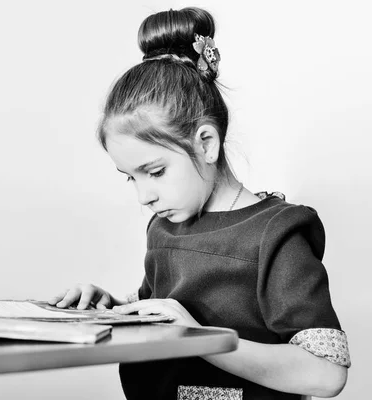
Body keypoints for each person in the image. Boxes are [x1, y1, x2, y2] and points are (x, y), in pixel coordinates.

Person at [48, 7, 350, 400]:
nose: (145, 196)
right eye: (131, 177)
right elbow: (164, 317)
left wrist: (200, 338)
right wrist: (113, 308)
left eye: (154, 171)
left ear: (206, 143)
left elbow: (326, 375)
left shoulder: (275, 235)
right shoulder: (162, 229)